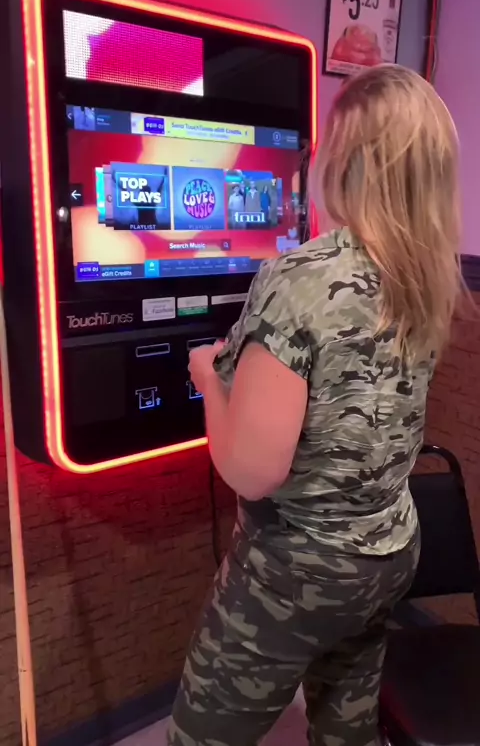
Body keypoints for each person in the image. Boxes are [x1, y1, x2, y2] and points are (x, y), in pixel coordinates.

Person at [167, 65, 462, 746]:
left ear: (349, 159)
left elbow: (252, 472)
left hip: (298, 570)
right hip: (388, 550)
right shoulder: (428, 272)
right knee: (346, 724)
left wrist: (209, 379)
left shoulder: (300, 278)